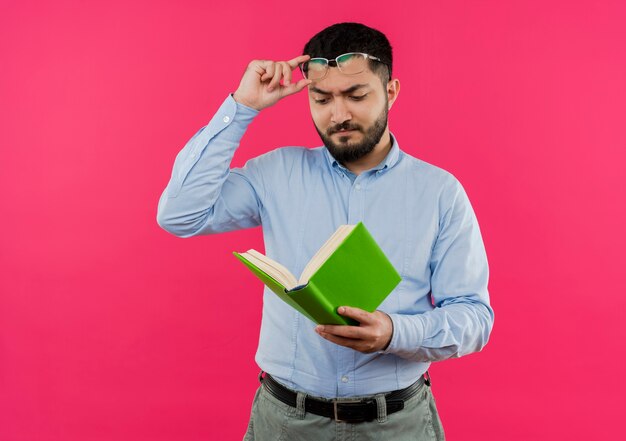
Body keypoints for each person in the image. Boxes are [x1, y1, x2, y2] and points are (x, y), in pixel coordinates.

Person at [157, 22, 493, 441]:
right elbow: (180, 214)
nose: (339, 115)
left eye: (356, 95)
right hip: (285, 423)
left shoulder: (440, 192)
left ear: (390, 92)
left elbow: (475, 318)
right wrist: (242, 105)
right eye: (322, 98)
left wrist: (394, 333)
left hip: (398, 424)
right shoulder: (276, 172)